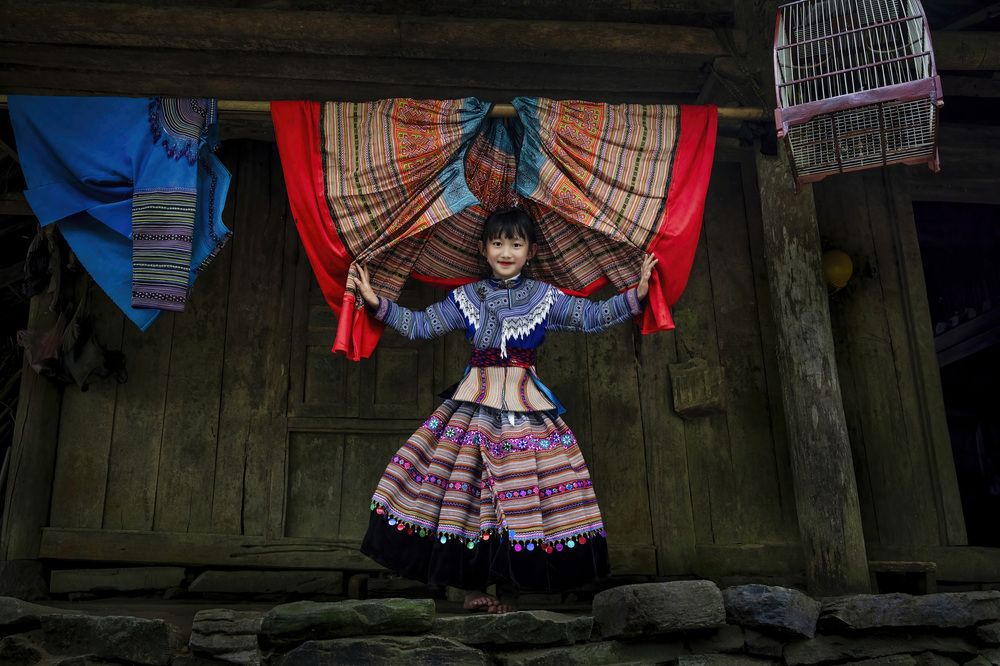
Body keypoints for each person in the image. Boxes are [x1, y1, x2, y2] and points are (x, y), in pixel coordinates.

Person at [356, 207, 657, 613]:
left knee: (523, 495)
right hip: (474, 404)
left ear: (530, 251)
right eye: (498, 243)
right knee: (466, 495)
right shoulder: (466, 298)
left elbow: (589, 317)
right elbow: (420, 325)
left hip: (525, 406)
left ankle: (513, 588)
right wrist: (376, 302)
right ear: (483, 249)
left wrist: (636, 294)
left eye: (516, 244)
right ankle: (473, 588)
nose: (506, 251)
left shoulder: (545, 298)